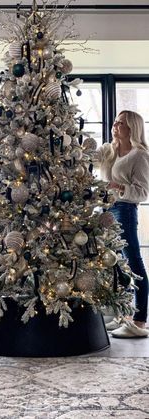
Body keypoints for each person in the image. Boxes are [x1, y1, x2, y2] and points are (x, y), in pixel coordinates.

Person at [97, 110, 149, 338]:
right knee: (118, 264)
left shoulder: (140, 156)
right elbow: (88, 156)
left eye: (121, 123)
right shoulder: (110, 150)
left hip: (125, 210)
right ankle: (125, 316)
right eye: (115, 122)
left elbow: (143, 192)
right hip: (107, 209)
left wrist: (118, 187)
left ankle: (139, 322)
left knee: (134, 263)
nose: (115, 126)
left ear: (132, 128)